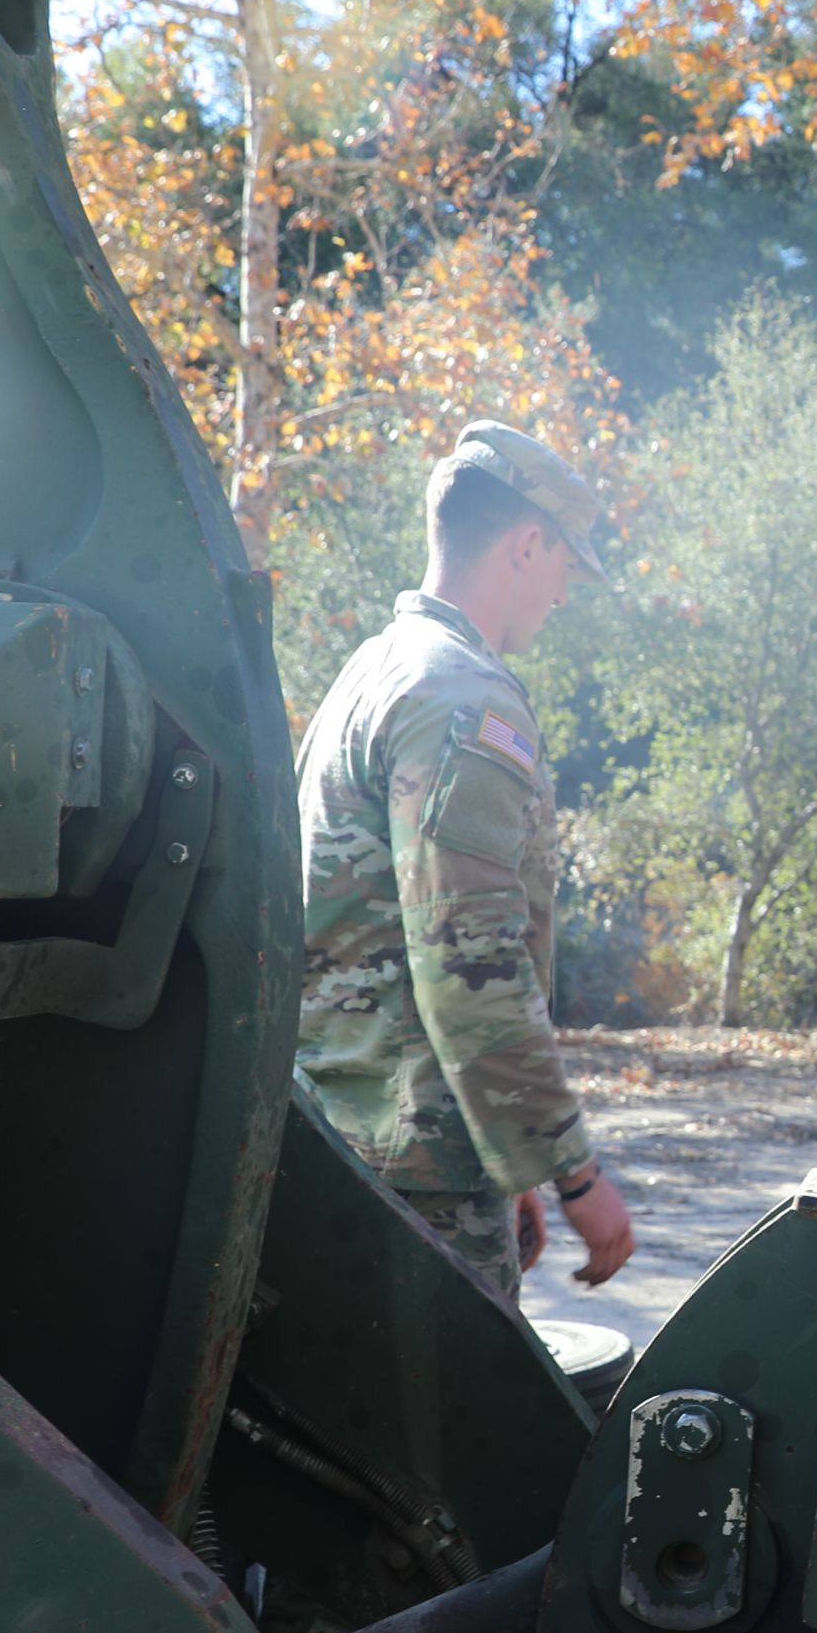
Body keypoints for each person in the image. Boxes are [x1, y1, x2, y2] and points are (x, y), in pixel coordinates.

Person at [298, 423, 639, 1304]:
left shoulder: (374, 667)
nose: (565, 592)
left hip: (349, 1138)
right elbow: (470, 964)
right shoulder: (465, 699)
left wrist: (508, 1161)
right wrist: (573, 1173)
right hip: (419, 1174)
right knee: (440, 1436)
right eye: (568, 564)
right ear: (527, 544)